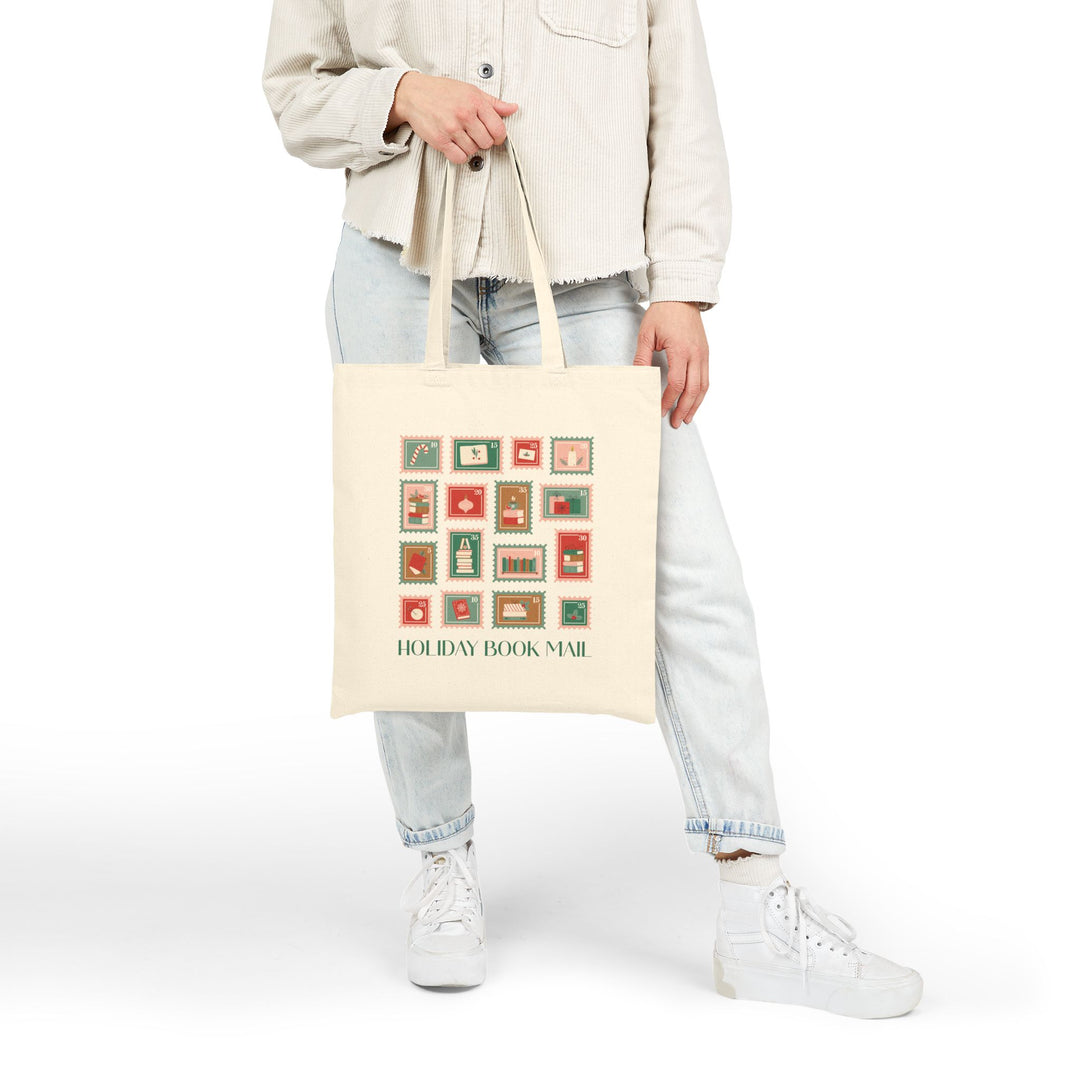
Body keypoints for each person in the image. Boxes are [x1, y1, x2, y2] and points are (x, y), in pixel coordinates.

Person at [262, 0, 922, 1017]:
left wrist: (684, 289)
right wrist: (397, 94)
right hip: (395, 263)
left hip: (584, 284)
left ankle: (754, 899)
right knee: (419, 577)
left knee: (688, 574)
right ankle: (440, 862)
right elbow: (295, 89)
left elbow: (681, 104)